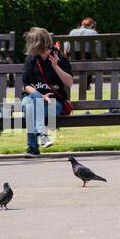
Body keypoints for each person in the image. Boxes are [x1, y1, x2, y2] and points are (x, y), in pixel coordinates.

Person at [20, 27, 72, 156]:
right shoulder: (31, 59)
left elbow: (69, 82)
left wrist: (55, 66)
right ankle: (42, 134)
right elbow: (26, 85)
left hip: (54, 102)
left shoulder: (59, 57)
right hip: (32, 97)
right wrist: (40, 95)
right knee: (31, 104)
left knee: (30, 108)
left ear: (37, 43)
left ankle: (33, 147)